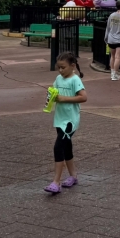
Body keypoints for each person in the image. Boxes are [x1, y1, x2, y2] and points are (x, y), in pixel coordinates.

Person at [45, 52, 87, 194]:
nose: (60, 70)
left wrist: (63, 99)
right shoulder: (58, 78)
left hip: (69, 121)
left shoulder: (75, 80)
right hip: (59, 118)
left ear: (72, 66)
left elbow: (83, 97)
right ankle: (73, 176)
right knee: (67, 147)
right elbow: (55, 92)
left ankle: (56, 182)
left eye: (63, 67)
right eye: (59, 68)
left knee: (58, 148)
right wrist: (52, 97)